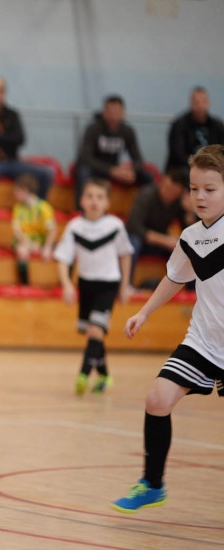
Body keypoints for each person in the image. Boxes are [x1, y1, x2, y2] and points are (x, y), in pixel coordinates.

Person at [111, 144, 224, 513]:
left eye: (210, 189)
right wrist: (144, 313)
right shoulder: (190, 237)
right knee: (158, 399)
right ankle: (152, 485)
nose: (199, 196)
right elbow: (175, 277)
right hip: (204, 341)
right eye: (194, 189)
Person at [54, 178, 133, 395]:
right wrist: (67, 285)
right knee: (93, 333)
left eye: (99, 197)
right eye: (89, 196)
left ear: (107, 202)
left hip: (108, 284)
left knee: (95, 330)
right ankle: (105, 376)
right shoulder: (74, 227)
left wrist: (125, 285)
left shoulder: (115, 226)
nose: (94, 201)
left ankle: (83, 374)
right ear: (82, 200)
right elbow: (63, 258)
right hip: (86, 284)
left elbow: (125, 255)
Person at [0, 75, 54, 208]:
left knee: (47, 173)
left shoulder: (12, 115)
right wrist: (6, 138)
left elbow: (19, 139)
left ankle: (36, 210)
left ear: (4, 93)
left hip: (12, 162)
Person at [74, 94, 153, 210]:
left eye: (117, 111)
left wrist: (131, 171)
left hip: (117, 170)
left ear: (123, 113)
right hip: (97, 169)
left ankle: (145, 211)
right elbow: (84, 157)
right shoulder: (93, 129)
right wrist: (111, 170)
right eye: (110, 111)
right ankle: (81, 211)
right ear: (104, 112)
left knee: (147, 177)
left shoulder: (127, 131)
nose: (113, 114)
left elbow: (138, 159)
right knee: (82, 171)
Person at [125, 167, 193, 287]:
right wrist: (164, 240)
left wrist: (190, 212)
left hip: (159, 243)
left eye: (173, 192)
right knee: (133, 244)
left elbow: (188, 231)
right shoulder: (147, 194)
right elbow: (134, 226)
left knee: (188, 249)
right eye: (165, 187)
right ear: (162, 181)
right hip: (140, 239)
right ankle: (126, 285)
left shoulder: (179, 202)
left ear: (180, 192)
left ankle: (190, 290)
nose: (167, 193)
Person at [11, 172, 57, 286]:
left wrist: (47, 247)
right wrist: (27, 242)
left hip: (41, 241)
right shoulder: (18, 208)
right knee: (22, 251)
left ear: (25, 190)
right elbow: (16, 229)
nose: (15, 194)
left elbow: (52, 229)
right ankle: (25, 283)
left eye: (17, 191)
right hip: (25, 242)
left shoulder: (44, 208)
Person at [166, 87, 224, 171]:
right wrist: (197, 165)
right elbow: (178, 154)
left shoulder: (217, 126)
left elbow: (221, 150)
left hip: (213, 168)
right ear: (191, 103)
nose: (200, 106)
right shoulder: (179, 125)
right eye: (196, 102)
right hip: (185, 167)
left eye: (203, 101)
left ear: (209, 103)